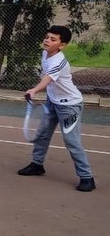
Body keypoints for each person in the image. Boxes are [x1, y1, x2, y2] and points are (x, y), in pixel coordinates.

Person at [17, 25, 95, 192]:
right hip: (52, 102)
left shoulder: (59, 61)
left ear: (62, 45)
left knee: (72, 141)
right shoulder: (45, 53)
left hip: (69, 106)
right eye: (47, 37)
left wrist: (34, 90)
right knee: (43, 134)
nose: (47, 40)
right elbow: (45, 76)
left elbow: (47, 80)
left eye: (53, 39)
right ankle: (37, 164)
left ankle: (87, 177)